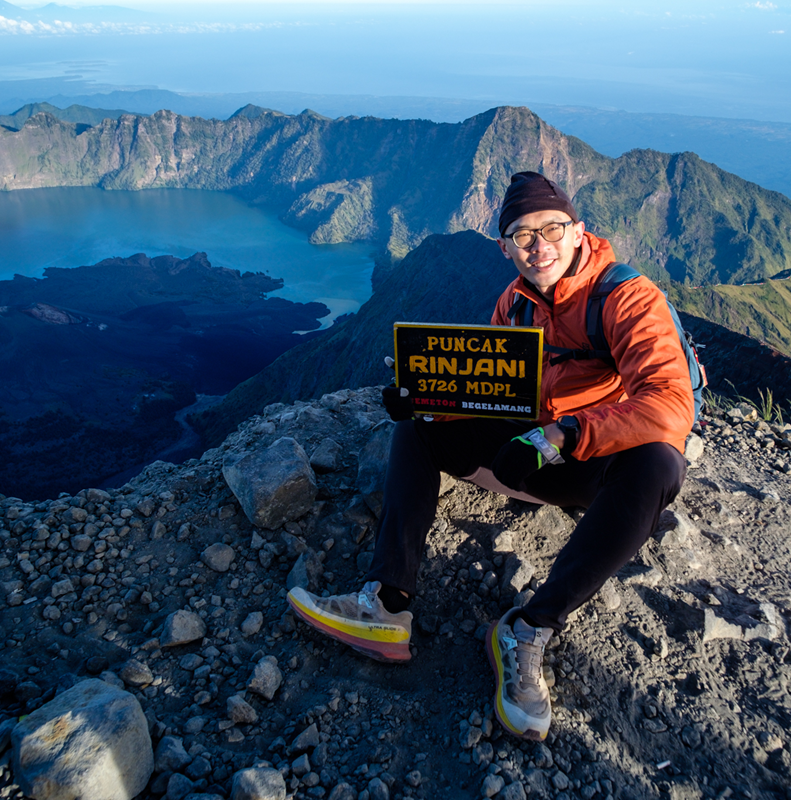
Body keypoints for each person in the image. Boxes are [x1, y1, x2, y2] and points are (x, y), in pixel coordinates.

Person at [288, 172, 694, 741]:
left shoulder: (626, 297)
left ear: (578, 231)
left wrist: (562, 435)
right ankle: (387, 602)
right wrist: (425, 400)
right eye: (521, 236)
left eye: (552, 229)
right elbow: (494, 395)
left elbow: (671, 404)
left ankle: (529, 627)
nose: (539, 246)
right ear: (504, 248)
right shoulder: (515, 303)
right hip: (526, 454)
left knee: (659, 464)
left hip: (595, 468)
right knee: (417, 432)